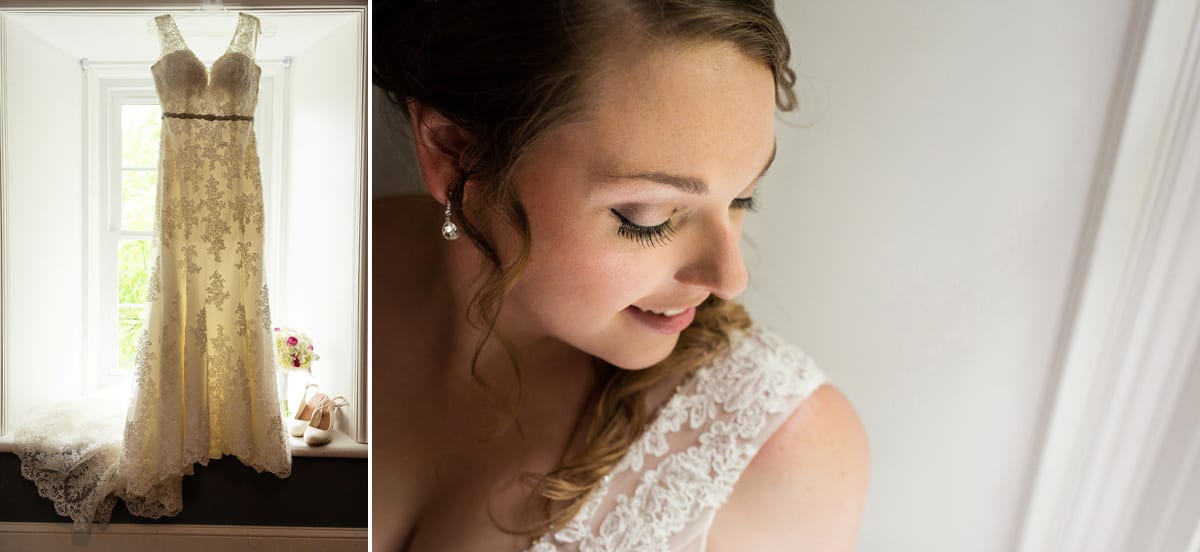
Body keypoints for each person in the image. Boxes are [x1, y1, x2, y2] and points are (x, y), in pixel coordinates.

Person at [372, 2, 870, 550]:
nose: (729, 278)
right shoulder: (300, 270)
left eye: (741, 196)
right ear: (454, 151)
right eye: (645, 217)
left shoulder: (779, 451)